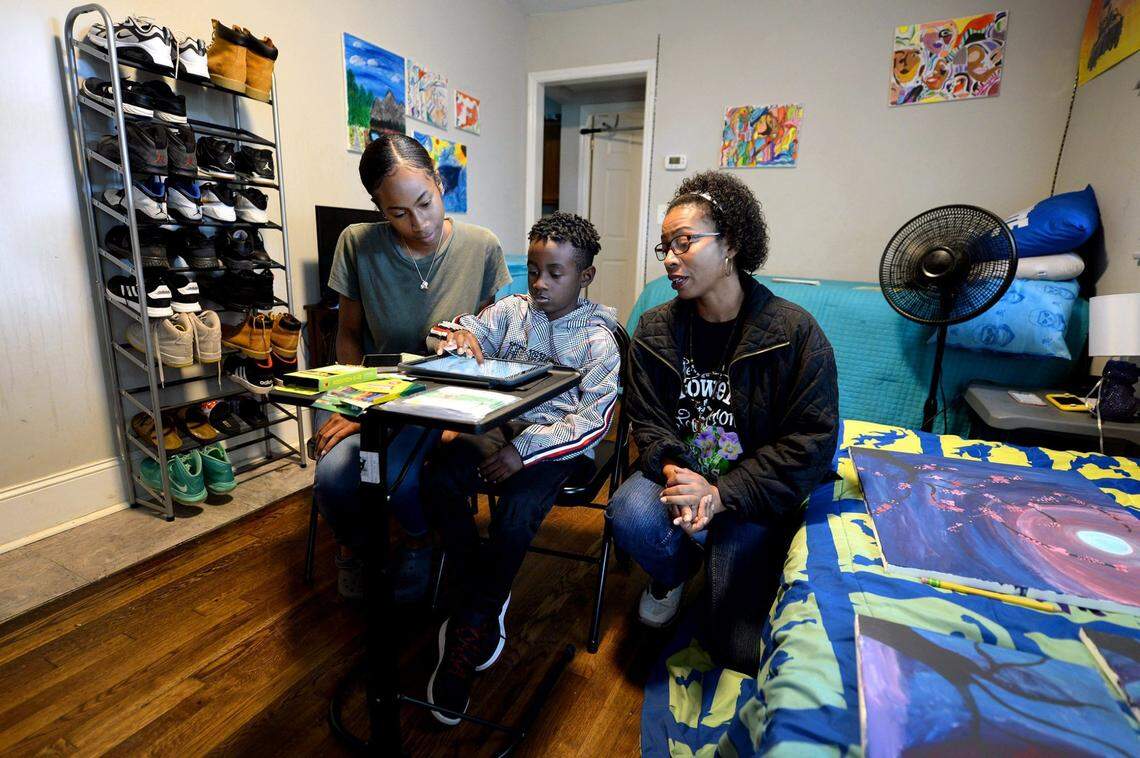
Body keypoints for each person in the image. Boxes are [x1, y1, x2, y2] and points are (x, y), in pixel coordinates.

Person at [608, 171, 838, 673]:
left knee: (737, 650)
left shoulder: (793, 331)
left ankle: (716, 546)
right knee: (630, 513)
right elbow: (645, 420)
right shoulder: (654, 329)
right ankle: (674, 570)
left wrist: (720, 494)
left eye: (684, 242)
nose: (670, 258)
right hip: (685, 476)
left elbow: (811, 440)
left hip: (750, 493)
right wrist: (672, 470)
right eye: (664, 246)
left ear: (730, 242)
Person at [420, 212, 621, 724]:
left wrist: (523, 452)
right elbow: (457, 329)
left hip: (555, 448)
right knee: (437, 472)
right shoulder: (512, 310)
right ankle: (480, 587)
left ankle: (472, 623)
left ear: (585, 277)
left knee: (516, 513)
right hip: (496, 433)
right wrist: (455, 341)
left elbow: (593, 422)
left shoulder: (599, 339)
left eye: (555, 273)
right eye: (533, 269)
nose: (540, 283)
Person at [313, 133, 511, 601]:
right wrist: (352, 403)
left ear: (439, 183)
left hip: (445, 397)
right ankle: (354, 546)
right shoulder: (356, 244)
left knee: (400, 473)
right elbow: (348, 334)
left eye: (425, 203)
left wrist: (453, 419)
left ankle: (420, 541)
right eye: (396, 213)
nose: (418, 223)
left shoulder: (481, 247)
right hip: (375, 394)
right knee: (337, 473)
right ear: (378, 208)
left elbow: (486, 341)